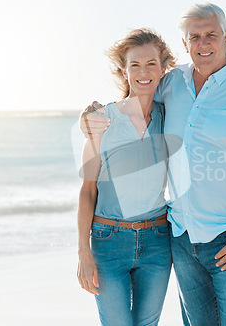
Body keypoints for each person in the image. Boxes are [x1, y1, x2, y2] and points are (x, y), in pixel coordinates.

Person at [80, 3, 226, 326]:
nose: (203, 44)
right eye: (195, 37)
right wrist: (92, 115)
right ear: (185, 44)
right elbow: (137, 93)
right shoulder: (172, 84)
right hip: (180, 239)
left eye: (211, 35)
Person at [76, 28, 176, 325]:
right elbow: (88, 190)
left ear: (162, 69)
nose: (143, 72)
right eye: (135, 65)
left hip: (158, 240)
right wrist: (83, 251)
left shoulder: (169, 115)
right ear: (124, 71)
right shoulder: (102, 121)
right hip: (109, 241)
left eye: (151, 64)